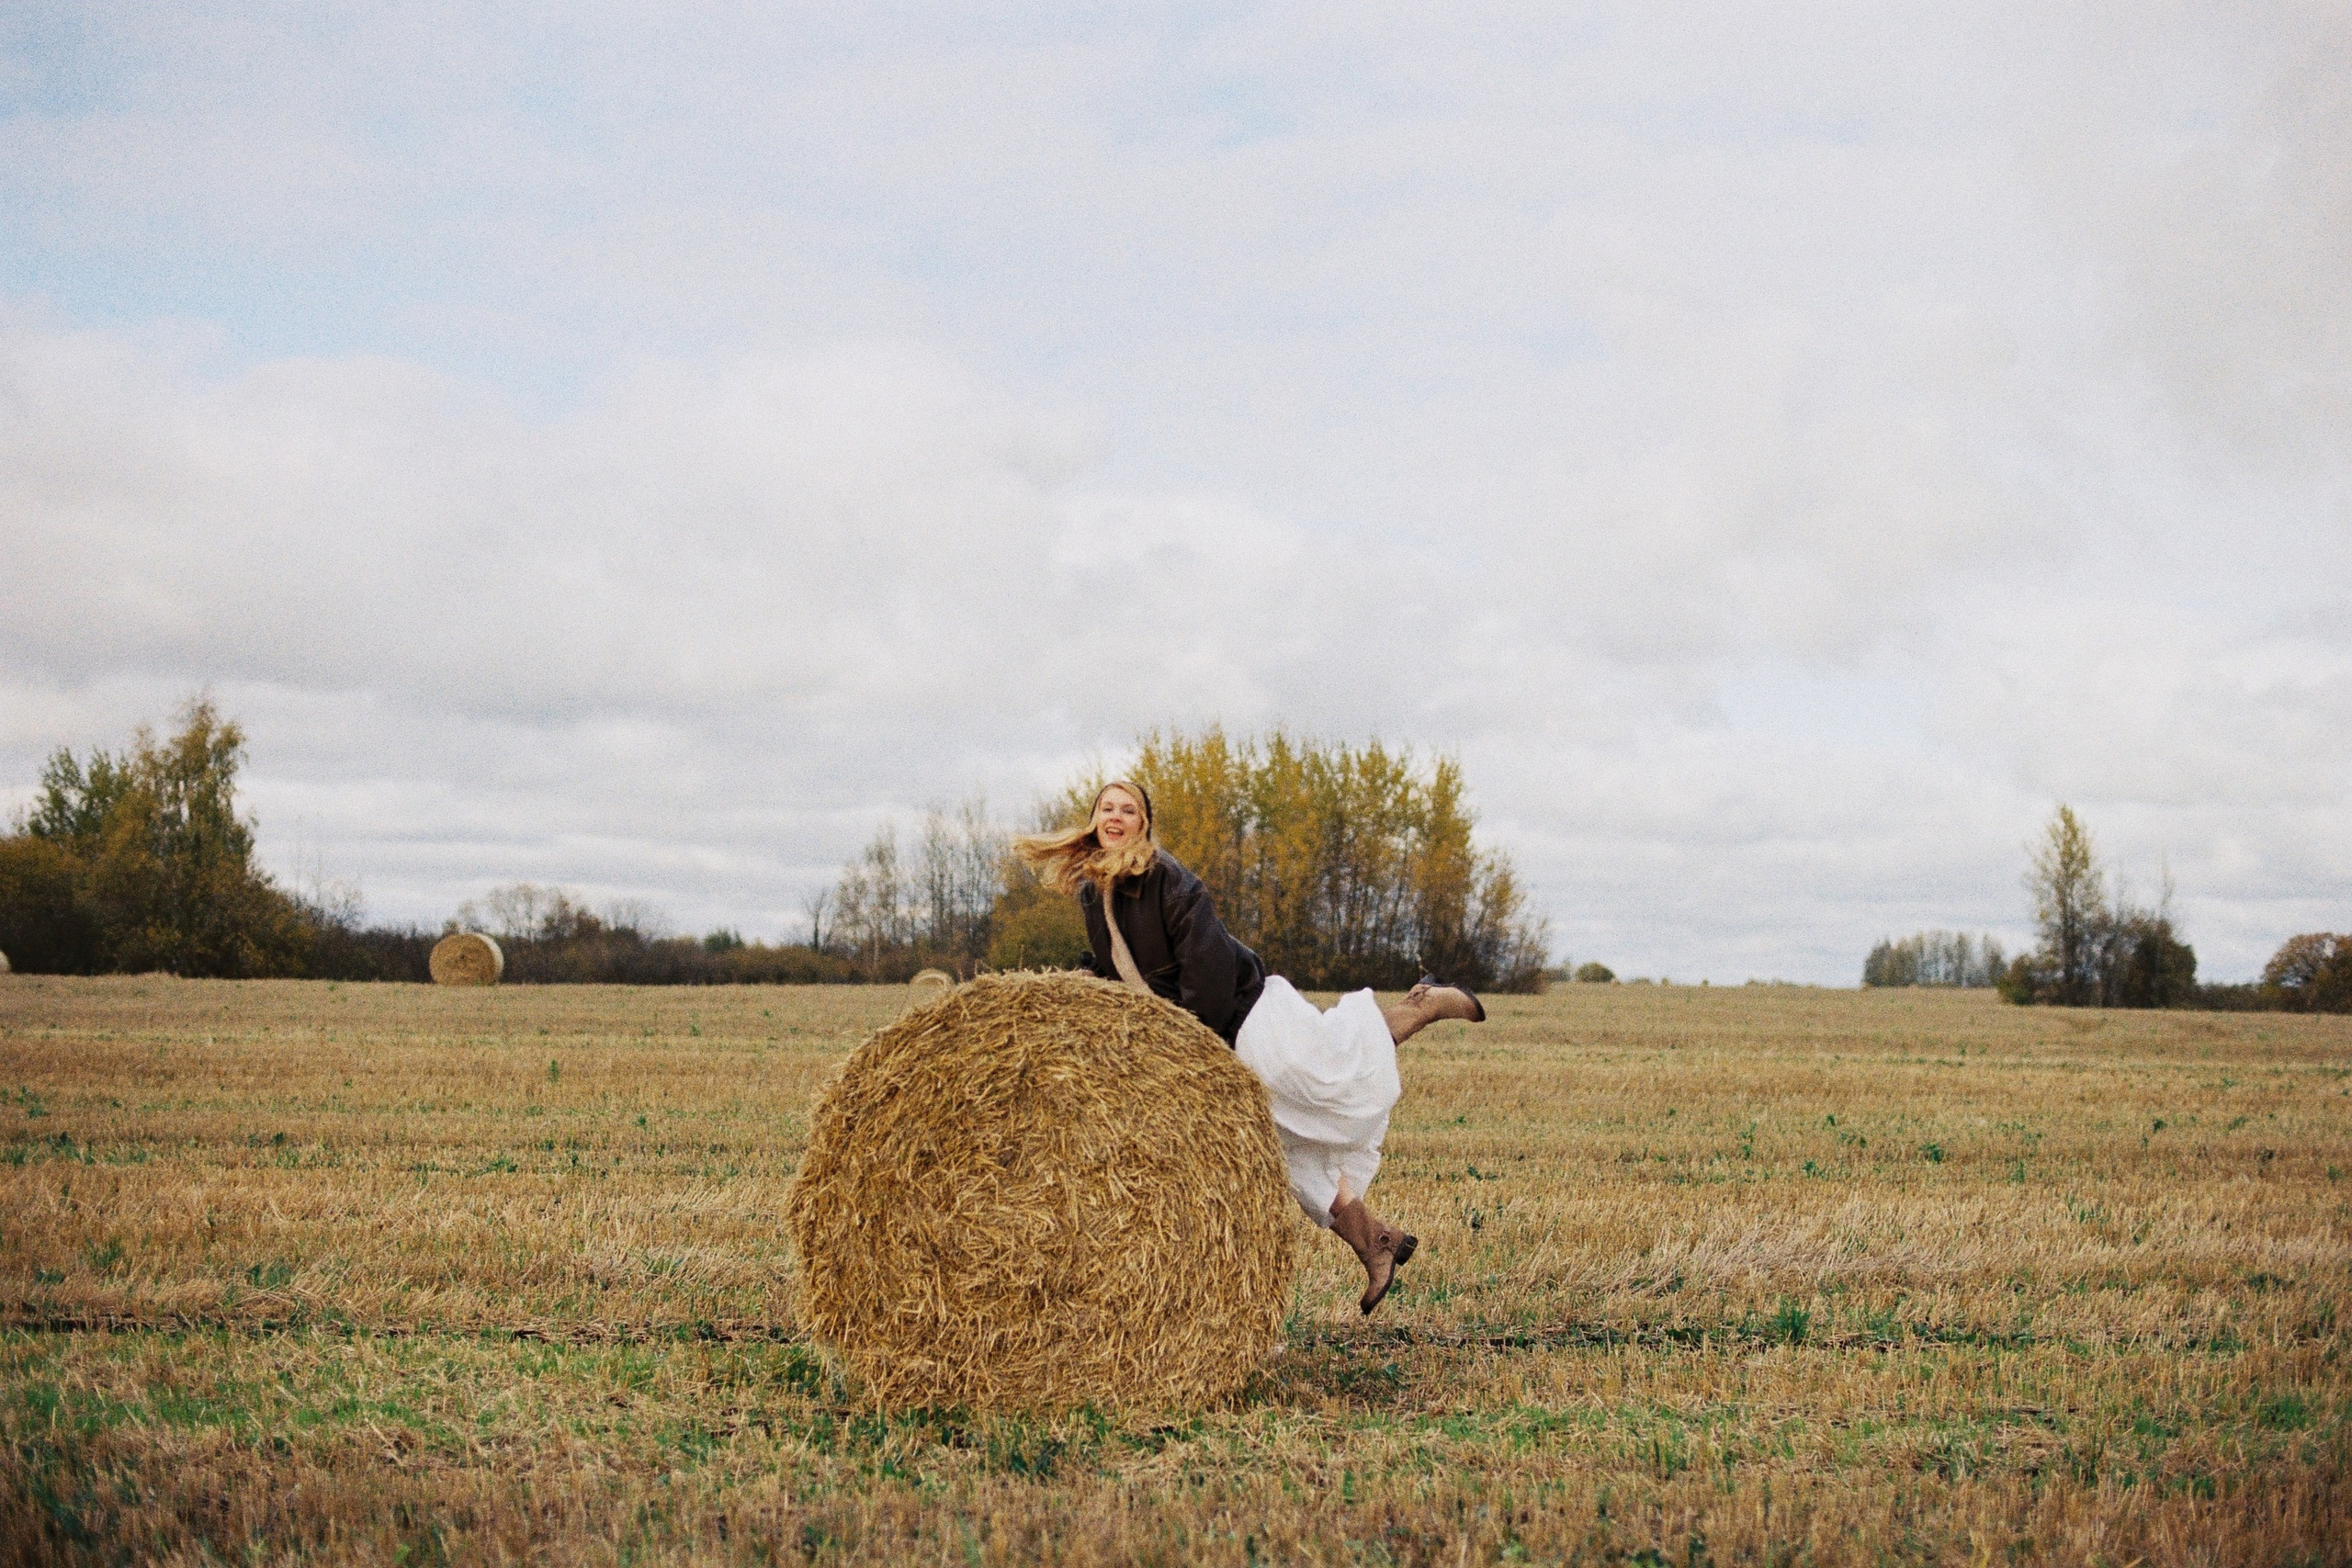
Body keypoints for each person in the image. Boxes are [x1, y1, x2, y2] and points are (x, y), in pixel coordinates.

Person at [1014, 779, 1486, 1313]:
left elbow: (1207, 970)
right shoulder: (1095, 890)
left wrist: (1190, 1047)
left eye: (1129, 809)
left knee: (1328, 1074)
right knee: (1286, 1155)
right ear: (1094, 819)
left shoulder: (1169, 880)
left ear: (1144, 824)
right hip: (1206, 1047)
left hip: (1246, 1016)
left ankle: (1420, 1005)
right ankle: (1376, 1242)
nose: (1117, 816)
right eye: (1107, 808)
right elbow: (1122, 965)